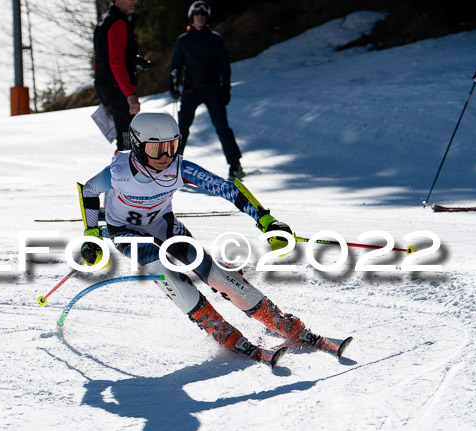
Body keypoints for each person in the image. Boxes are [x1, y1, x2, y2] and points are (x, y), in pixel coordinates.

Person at [77, 112, 351, 367]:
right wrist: (91, 233)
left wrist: (266, 221)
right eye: (155, 149)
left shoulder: (180, 168)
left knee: (217, 276)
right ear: (137, 145)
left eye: (171, 146)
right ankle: (219, 328)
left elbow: (227, 189)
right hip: (126, 231)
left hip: (165, 225)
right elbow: (89, 190)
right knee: (164, 271)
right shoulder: (119, 170)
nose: (165, 156)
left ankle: (278, 320)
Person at [169, 1, 244, 179]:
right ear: (191, 17)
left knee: (222, 126)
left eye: (203, 15)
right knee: (182, 128)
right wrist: (172, 85)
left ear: (207, 17)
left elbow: (225, 66)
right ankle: (172, 166)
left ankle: (235, 164)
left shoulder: (215, 39)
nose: (200, 17)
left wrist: (226, 88)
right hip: (190, 89)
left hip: (212, 89)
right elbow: (175, 66)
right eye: (197, 14)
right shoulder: (184, 40)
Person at [93, 0, 143, 151]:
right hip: (116, 87)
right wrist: (130, 94)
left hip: (105, 84)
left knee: (127, 137)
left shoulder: (105, 19)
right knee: (127, 140)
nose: (135, 1)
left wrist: (134, 59)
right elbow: (116, 63)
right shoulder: (118, 22)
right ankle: (121, 173)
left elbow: (101, 56)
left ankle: (124, 171)